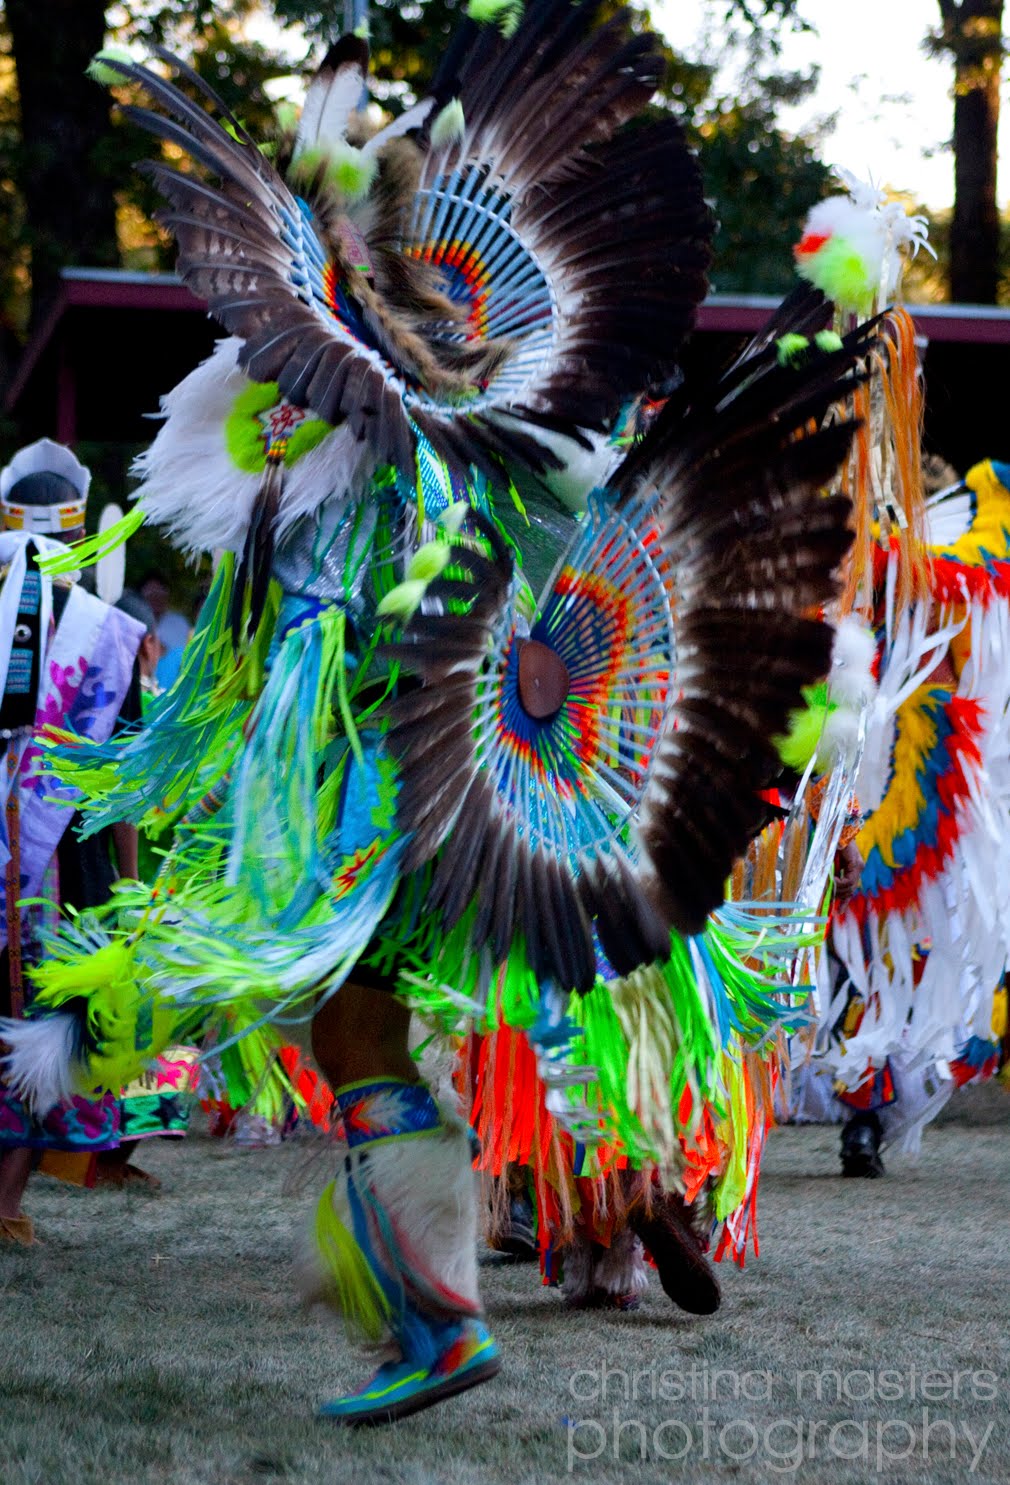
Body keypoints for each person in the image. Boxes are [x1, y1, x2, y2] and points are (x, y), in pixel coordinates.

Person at [4, 6, 872, 1423]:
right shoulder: (490, 433)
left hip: (377, 770)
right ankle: (465, 1281)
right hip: (443, 763)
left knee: (359, 1023)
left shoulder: (385, 416)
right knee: (392, 1025)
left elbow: (327, 535)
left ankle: (448, 1304)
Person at [0, 438, 144, 1241]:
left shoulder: (110, 633)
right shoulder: (111, 633)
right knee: (44, 1020)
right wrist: (126, 889)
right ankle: (9, 1199)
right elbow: (128, 780)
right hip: (74, 864)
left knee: (29, 1011)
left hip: (32, 855)